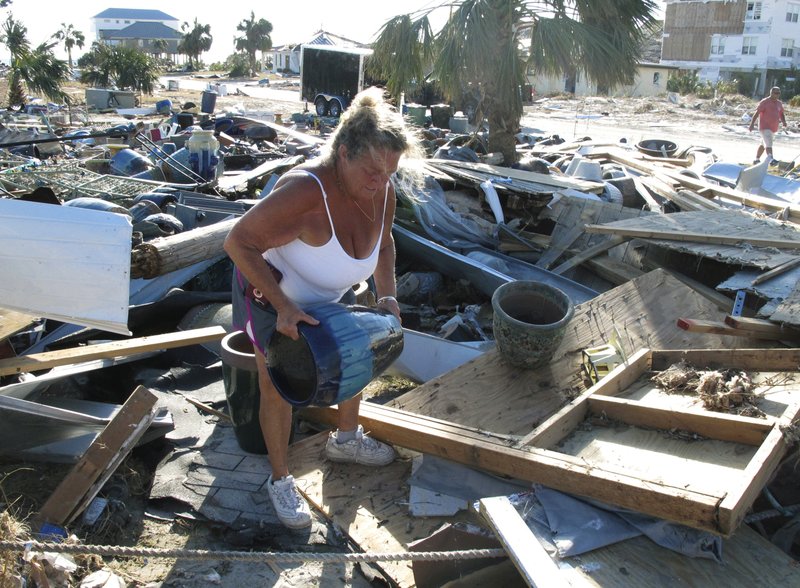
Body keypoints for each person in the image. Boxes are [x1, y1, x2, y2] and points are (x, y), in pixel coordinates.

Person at [223, 87, 424, 529]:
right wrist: (284, 307)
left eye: (389, 172)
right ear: (344, 153)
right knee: (277, 385)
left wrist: (387, 298)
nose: (380, 181)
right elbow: (238, 243)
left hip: (331, 292)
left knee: (358, 354)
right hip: (272, 294)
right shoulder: (305, 192)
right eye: (371, 170)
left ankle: (345, 439)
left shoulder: (382, 192)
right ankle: (279, 478)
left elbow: (386, 246)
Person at [749, 86, 788, 163]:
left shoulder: (779, 103)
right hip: (764, 127)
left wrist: (784, 121)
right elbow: (757, 113)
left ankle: (757, 159)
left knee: (763, 144)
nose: (777, 95)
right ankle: (771, 159)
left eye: (778, 93)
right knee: (769, 143)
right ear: (771, 93)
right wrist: (752, 124)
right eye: (775, 93)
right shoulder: (765, 102)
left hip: (773, 128)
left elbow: (781, 113)